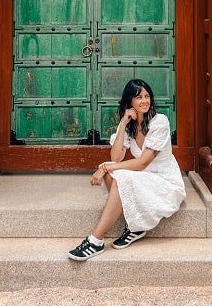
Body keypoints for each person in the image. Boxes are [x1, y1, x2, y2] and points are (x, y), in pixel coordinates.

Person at [68, 79, 185, 261]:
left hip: (165, 184)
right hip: (145, 179)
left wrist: (105, 167)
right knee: (111, 171)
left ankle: (95, 240)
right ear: (130, 101)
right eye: (139, 97)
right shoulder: (130, 124)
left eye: (147, 96)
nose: (144, 101)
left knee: (113, 171)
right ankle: (136, 228)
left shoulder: (159, 122)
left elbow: (142, 163)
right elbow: (116, 157)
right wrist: (123, 123)